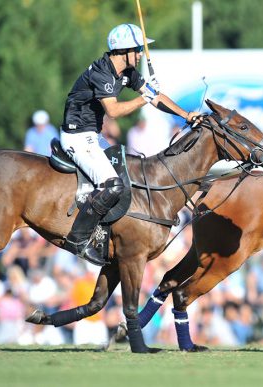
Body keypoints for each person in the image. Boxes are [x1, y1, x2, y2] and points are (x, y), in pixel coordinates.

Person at [59, 23, 201, 266]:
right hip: (76, 137)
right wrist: (143, 98)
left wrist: (186, 115)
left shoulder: (127, 72)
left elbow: (155, 96)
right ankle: (78, 240)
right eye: (137, 50)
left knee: (129, 177)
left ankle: (107, 234)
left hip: (93, 136)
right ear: (123, 51)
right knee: (112, 186)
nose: (139, 54)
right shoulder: (101, 73)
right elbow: (113, 110)